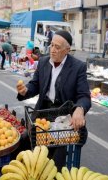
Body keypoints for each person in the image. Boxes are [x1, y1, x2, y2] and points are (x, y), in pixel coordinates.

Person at [16, 30, 91, 170]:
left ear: (67, 50)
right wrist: (25, 90)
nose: (53, 50)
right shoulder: (43, 61)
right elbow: (35, 85)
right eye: (52, 45)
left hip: (64, 117)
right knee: (23, 142)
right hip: (43, 113)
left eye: (57, 47)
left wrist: (80, 109)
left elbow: (84, 96)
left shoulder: (78, 67)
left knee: (56, 155)